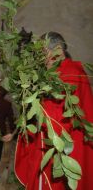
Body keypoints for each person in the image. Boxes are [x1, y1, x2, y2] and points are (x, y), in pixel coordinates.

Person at [15, 32, 93, 190]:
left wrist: (33, 107)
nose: (42, 59)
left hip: (62, 151)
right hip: (72, 145)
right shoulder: (73, 70)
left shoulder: (67, 73)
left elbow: (56, 121)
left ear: (57, 49)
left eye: (43, 52)